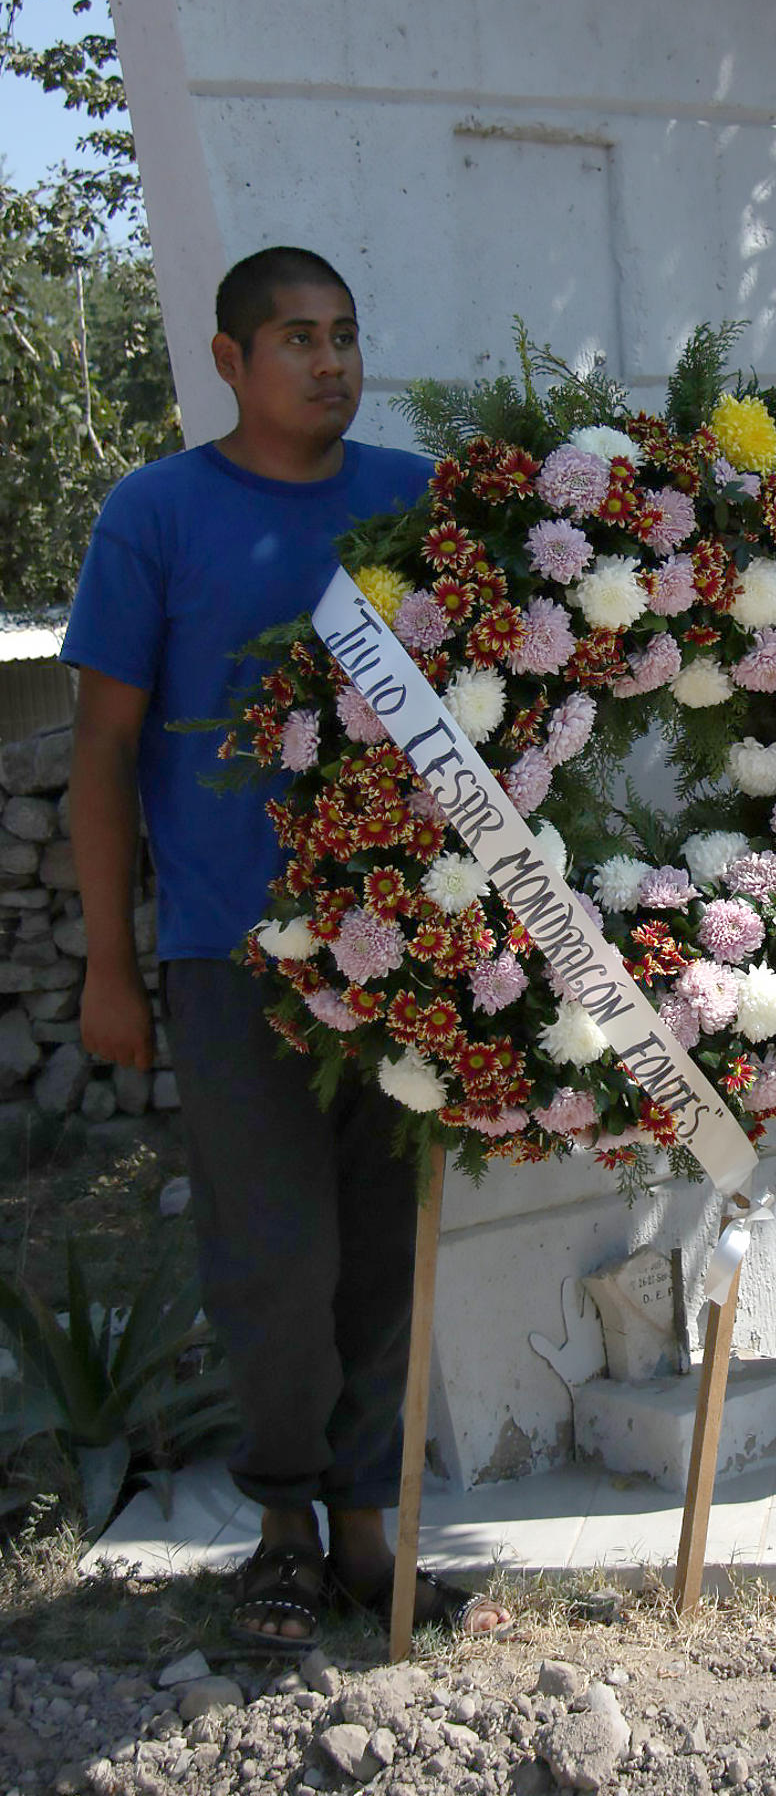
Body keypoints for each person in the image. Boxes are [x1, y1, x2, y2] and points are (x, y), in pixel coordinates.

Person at [63, 245, 511, 1647]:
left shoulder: (415, 503)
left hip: (402, 960)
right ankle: (279, 1525)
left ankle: (370, 1531)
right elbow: (102, 749)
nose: (328, 362)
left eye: (344, 336)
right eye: (298, 339)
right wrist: (110, 965)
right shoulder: (157, 513)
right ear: (229, 360)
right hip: (232, 954)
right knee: (274, 1258)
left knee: (384, 1250)